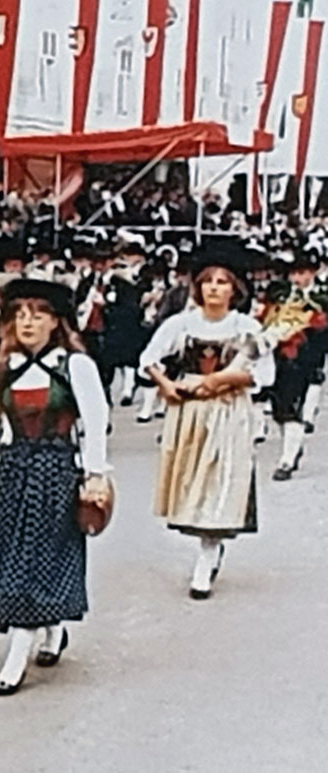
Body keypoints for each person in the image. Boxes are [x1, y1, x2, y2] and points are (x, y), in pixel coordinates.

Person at [0, 278, 111, 696]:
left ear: (55, 321)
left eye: (37, 314)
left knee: (38, 556)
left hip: (56, 473)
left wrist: (94, 474)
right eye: (20, 314)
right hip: (13, 471)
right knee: (16, 554)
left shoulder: (75, 367)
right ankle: (50, 629)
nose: (27, 322)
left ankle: (17, 653)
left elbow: (95, 422)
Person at [140, 240, 275, 601]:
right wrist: (166, 385)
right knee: (194, 481)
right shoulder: (181, 323)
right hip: (190, 412)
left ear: (235, 289)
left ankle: (207, 554)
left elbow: (263, 374)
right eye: (208, 281)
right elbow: (149, 358)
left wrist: (220, 380)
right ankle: (206, 544)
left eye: (222, 281)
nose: (214, 288)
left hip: (228, 410)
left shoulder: (246, 326)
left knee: (220, 480)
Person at [258, 252, 328, 480]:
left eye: (302, 273)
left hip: (305, 356)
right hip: (276, 355)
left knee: (291, 406)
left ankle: (287, 460)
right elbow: (266, 316)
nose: (297, 279)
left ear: (313, 272)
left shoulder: (323, 295)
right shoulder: (281, 293)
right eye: (294, 273)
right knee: (279, 408)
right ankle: (293, 449)